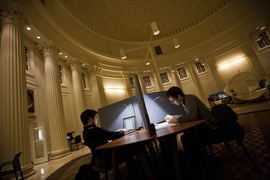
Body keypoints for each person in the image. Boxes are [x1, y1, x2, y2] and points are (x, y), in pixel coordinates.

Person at [164, 86, 216, 179]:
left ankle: (200, 165)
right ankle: (201, 162)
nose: (172, 103)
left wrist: (176, 120)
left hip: (209, 126)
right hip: (203, 126)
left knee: (186, 138)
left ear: (179, 96)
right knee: (187, 136)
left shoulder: (189, 98)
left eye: (173, 100)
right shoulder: (186, 100)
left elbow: (192, 116)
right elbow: (187, 115)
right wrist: (173, 116)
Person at [80, 109, 139, 178]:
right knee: (129, 149)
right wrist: (123, 131)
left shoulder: (85, 133)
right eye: (95, 117)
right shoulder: (95, 130)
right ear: (90, 118)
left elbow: (107, 135)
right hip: (108, 158)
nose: (96, 120)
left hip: (98, 159)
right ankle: (136, 174)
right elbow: (114, 135)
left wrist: (115, 133)